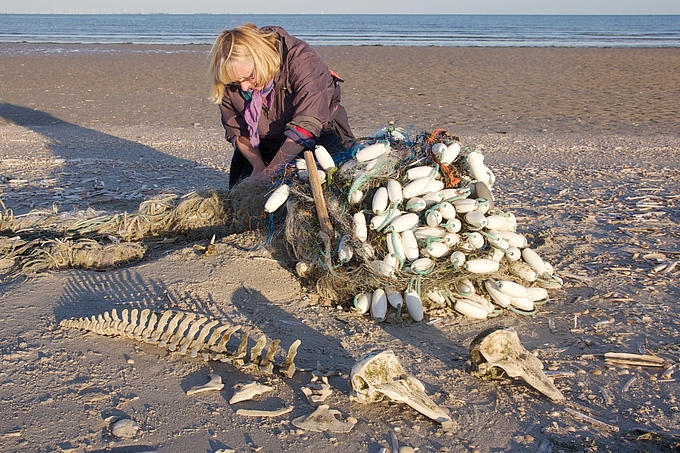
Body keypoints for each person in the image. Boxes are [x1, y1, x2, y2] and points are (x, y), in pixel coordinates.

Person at [207, 24, 354, 188]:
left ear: (263, 60)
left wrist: (273, 170)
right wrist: (259, 167)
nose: (243, 87)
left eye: (249, 77)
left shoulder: (302, 60)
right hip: (262, 144)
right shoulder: (228, 77)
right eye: (236, 81)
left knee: (336, 186)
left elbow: (307, 124)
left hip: (320, 135)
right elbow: (237, 130)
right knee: (243, 196)